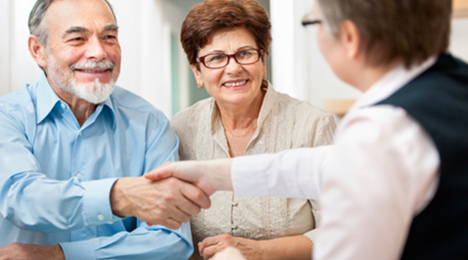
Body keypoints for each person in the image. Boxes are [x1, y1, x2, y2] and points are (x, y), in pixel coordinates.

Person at [147, 0, 468, 259]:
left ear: (350, 38)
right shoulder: (453, 83)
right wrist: (218, 175)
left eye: (312, 23)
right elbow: (327, 165)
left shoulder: (378, 129)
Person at [0, 0, 210, 259]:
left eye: (109, 37)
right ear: (38, 50)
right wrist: (117, 196)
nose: (99, 52)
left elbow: (171, 240)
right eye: (78, 38)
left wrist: (62, 255)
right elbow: (21, 199)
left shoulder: (150, 123)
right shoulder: (7, 117)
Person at [172, 0, 336, 259]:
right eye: (216, 58)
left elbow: (339, 231)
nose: (234, 67)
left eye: (245, 53)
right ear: (197, 72)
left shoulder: (313, 126)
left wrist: (257, 251)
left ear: (263, 61)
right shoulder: (179, 130)